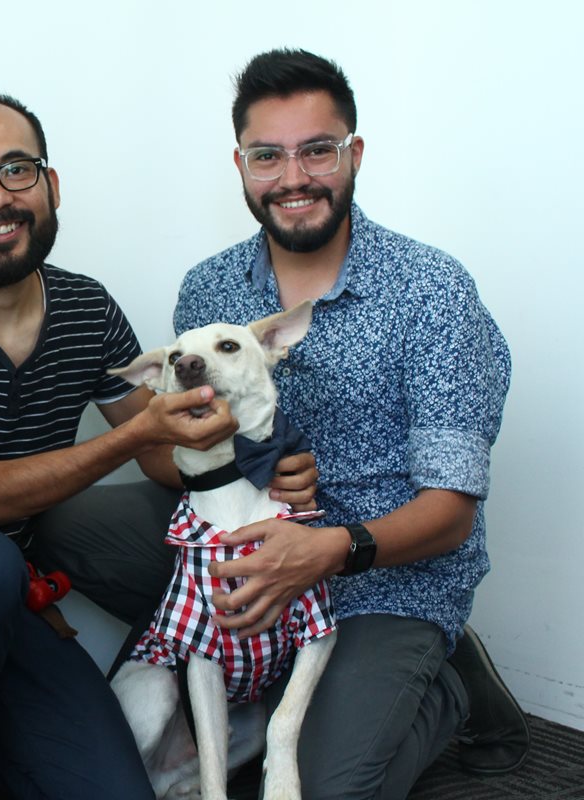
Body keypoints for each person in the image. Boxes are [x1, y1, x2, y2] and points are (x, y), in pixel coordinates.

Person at [0, 82, 316, 800]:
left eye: (16, 170)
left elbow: (161, 452)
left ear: (50, 184)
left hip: (11, 602)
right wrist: (143, 435)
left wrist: (247, 456)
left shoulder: (85, 306)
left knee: (116, 788)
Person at [167, 49, 523, 798]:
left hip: (386, 573)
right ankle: (266, 664)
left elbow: (452, 513)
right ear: (241, 164)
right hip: (254, 531)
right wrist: (263, 469)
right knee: (80, 528)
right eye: (268, 156)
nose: (293, 178)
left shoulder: (431, 292)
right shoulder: (208, 289)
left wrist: (325, 550)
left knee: (324, 787)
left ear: (353, 153)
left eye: (317, 151)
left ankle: (454, 685)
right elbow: (192, 445)